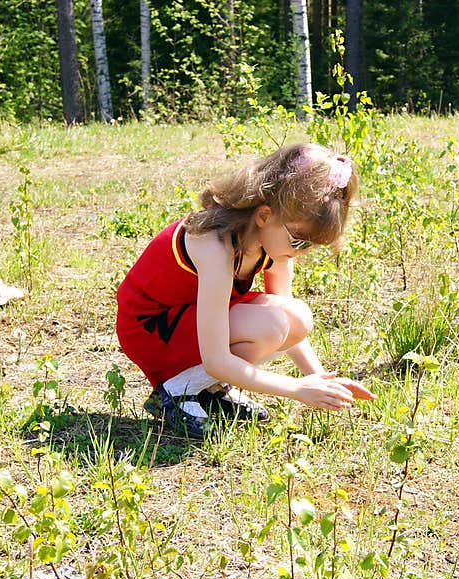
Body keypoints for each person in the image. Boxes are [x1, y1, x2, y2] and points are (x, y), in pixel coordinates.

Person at [115, 142, 376, 439]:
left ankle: (207, 391)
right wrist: (297, 390)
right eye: (300, 240)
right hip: (152, 329)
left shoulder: (271, 243)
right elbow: (216, 359)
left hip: (193, 320)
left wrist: (321, 380)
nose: (302, 252)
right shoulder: (214, 245)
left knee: (297, 318)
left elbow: (291, 328)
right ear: (264, 216)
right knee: (271, 325)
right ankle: (177, 392)